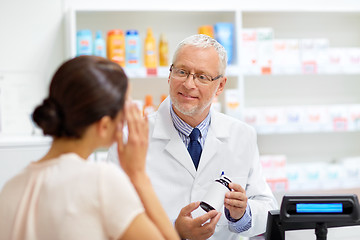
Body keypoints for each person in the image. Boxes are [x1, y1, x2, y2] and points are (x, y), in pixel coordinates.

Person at [107, 34, 278, 239]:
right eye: (182, 72)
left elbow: (267, 207)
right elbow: (113, 217)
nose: (189, 84)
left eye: (202, 77)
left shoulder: (242, 135)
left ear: (221, 86)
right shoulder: (129, 139)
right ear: (169, 75)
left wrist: (242, 213)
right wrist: (174, 230)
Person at [0, 56, 180, 240]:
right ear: (104, 126)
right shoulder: (101, 181)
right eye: (125, 107)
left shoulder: (10, 189)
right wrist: (138, 176)